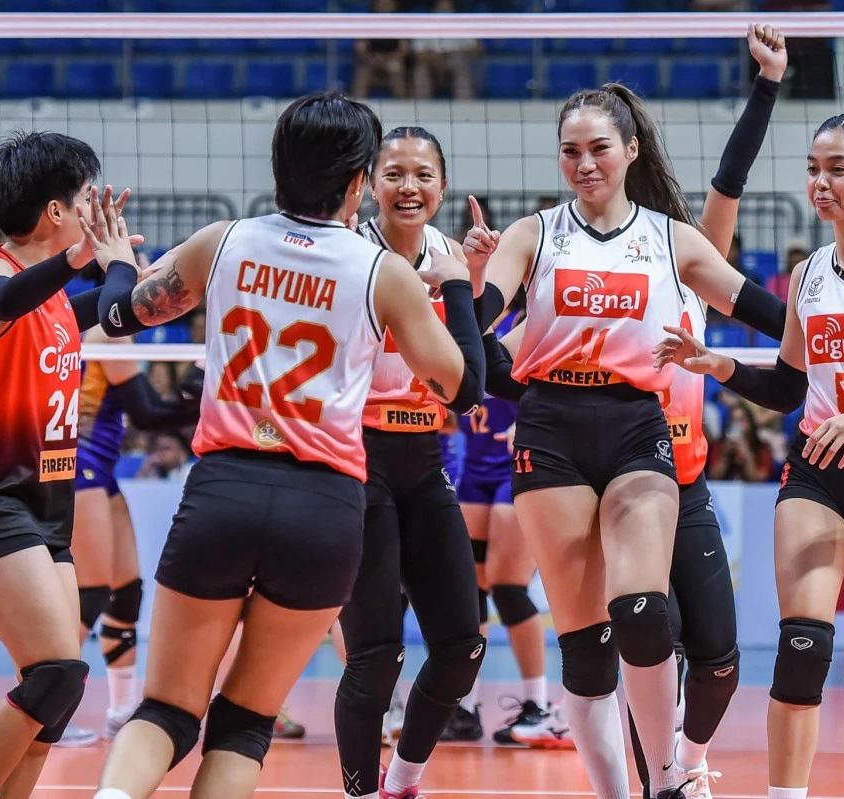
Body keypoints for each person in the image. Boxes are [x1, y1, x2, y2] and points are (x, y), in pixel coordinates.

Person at [87, 92, 485, 799]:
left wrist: (116, 261)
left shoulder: (223, 241)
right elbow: (462, 389)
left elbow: (117, 314)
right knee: (244, 720)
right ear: (360, 180)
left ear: (278, 163)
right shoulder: (381, 271)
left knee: (169, 709)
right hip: (325, 507)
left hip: (224, 490)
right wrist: (456, 290)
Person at [467, 68, 792, 797]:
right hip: (548, 426)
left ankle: (670, 777)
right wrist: (469, 282)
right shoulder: (533, 233)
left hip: (637, 424)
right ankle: (624, 790)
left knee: (644, 612)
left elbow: (764, 310)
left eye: (599, 149)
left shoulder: (672, 241)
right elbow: (477, 339)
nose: (584, 164)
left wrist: (833, 311)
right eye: (570, 150)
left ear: (632, 149)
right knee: (586, 653)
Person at [654, 113, 844, 799]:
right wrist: (724, 367)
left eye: (838, 168)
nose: (820, 182)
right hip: (819, 469)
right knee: (800, 649)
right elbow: (791, 386)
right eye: (813, 168)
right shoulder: (808, 275)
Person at [0, 130, 141, 799]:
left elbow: (115, 311)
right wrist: (85, 259)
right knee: (55, 672)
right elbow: (1, 303)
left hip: (45, 506)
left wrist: (137, 273)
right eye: (83, 197)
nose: (93, 207)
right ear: (54, 212)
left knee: (58, 687)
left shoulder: (53, 305)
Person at [337, 125, 488, 799]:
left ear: (443, 187)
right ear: (370, 184)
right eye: (394, 173)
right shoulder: (347, 252)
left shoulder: (451, 255)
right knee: (376, 656)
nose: (409, 186)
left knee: (463, 647)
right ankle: (361, 793)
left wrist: (471, 286)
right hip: (356, 461)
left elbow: (468, 368)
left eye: (423, 175)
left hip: (426, 464)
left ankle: (403, 779)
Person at [58, 313, 202, 747]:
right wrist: (204, 381)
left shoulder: (115, 333)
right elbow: (149, 414)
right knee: (93, 591)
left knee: (126, 589)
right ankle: (46, 706)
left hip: (100, 469)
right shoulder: (107, 333)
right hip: (79, 467)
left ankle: (122, 710)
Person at [446, 289, 562, 748]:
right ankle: (466, 704)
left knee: (508, 587)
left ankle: (539, 702)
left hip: (517, 463)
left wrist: (535, 416)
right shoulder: (455, 315)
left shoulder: (529, 316)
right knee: (469, 588)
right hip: (473, 468)